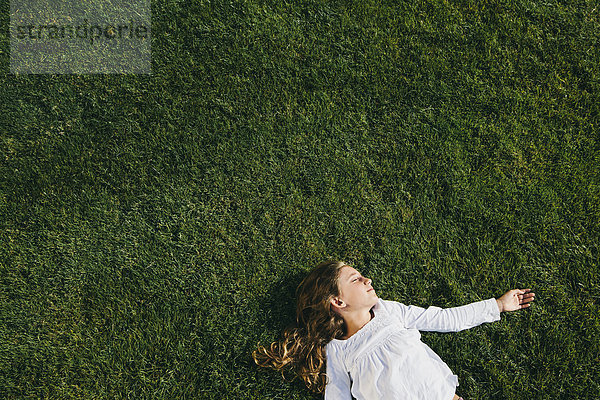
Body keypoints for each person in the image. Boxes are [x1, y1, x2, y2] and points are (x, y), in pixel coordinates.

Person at [253, 260, 535, 399]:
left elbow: (443, 319)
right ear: (338, 302)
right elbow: (336, 396)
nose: (367, 279)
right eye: (356, 279)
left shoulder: (390, 311)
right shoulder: (337, 350)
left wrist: (496, 305)